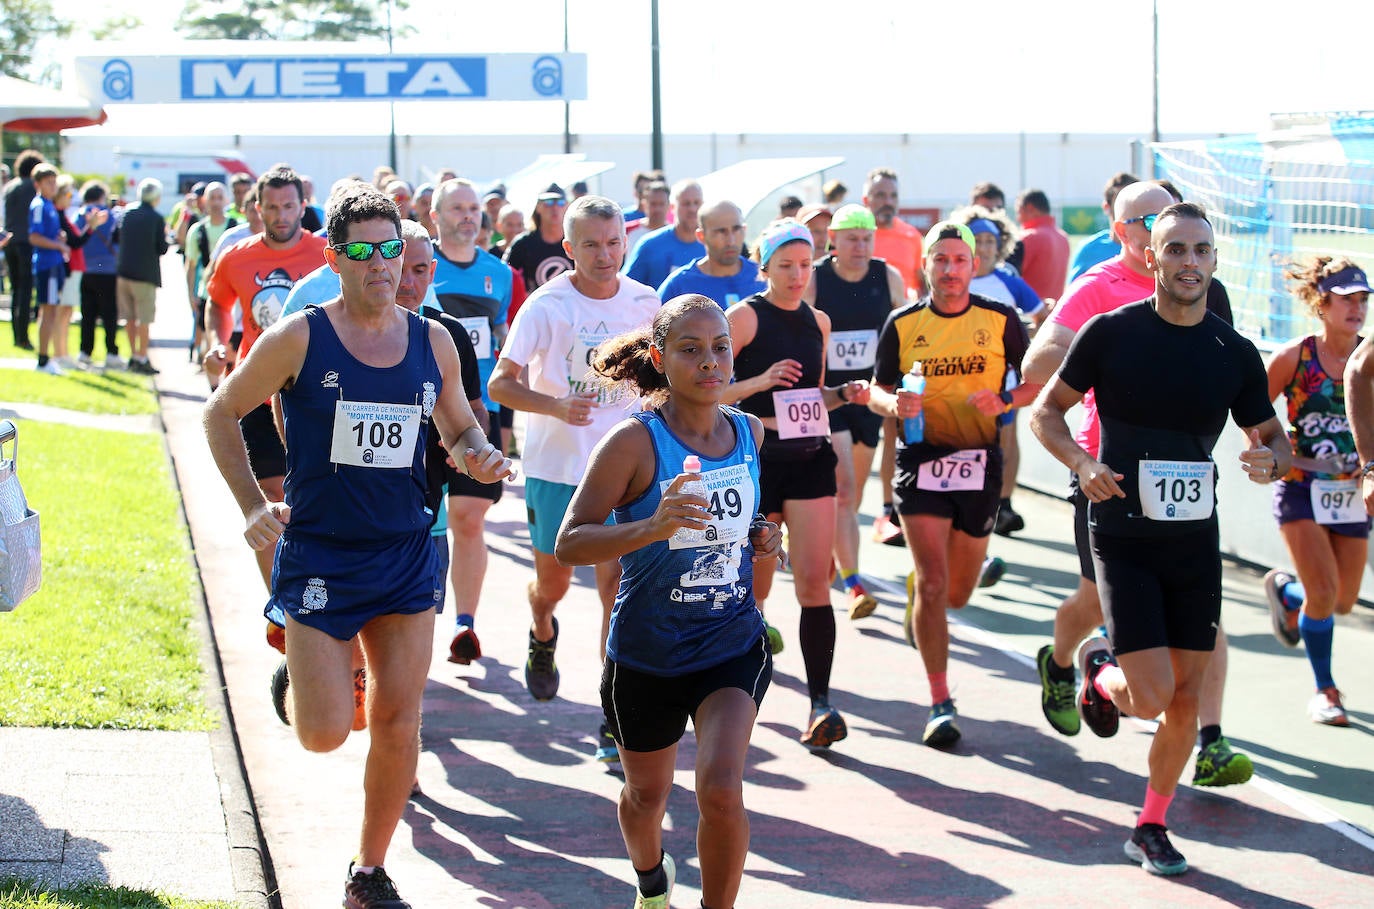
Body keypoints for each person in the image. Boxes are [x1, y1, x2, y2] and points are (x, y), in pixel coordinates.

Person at [204, 184, 512, 909]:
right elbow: (222, 410)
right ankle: (323, 673)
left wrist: (478, 454)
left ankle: (368, 871)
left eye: (393, 250)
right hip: (320, 554)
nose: (384, 263)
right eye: (367, 251)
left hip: (406, 551)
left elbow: (459, 425)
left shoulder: (435, 339)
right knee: (322, 734)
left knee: (402, 721)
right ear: (337, 258)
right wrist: (253, 504)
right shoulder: (299, 336)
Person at [1030, 202, 1289, 876]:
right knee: (1148, 695)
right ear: (1152, 256)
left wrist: (1273, 460)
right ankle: (1098, 669)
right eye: (1175, 250)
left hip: (1193, 542)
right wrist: (1083, 465)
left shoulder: (1233, 351)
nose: (1189, 263)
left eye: (1201, 251)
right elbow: (1044, 413)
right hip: (1123, 535)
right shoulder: (1111, 332)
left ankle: (1150, 824)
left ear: (1213, 262)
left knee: (1186, 695)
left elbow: (1273, 438)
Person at [556, 295, 781, 909]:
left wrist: (763, 535)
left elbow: (745, 518)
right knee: (645, 799)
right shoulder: (633, 442)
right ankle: (652, 877)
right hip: (646, 655)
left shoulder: (748, 431)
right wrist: (652, 526)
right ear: (660, 358)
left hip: (729, 641)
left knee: (720, 788)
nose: (709, 362)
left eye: (720, 348)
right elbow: (570, 540)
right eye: (690, 350)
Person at [488, 195, 661, 762]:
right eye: (590, 244)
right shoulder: (546, 305)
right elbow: (500, 384)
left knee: (618, 592)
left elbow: (661, 382)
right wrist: (557, 406)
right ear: (569, 249)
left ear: (624, 243)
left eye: (613, 242)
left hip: (626, 471)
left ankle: (613, 714)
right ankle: (542, 629)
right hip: (558, 468)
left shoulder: (644, 302)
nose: (604, 254)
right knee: (555, 586)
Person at [867, 221, 1031, 748]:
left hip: (980, 464)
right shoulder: (903, 323)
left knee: (956, 593)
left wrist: (1005, 402)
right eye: (941, 259)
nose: (951, 269)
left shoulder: (1001, 320)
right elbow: (877, 390)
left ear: (974, 266)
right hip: (922, 461)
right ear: (926, 266)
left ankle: (926, 588)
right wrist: (895, 405)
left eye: (960, 260)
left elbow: (1040, 383)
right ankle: (940, 701)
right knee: (936, 585)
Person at [722, 219, 870, 747]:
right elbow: (709, 391)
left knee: (812, 582)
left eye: (805, 265)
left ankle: (821, 704)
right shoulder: (743, 318)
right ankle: (739, 701)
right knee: (754, 592)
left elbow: (813, 395)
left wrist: (843, 393)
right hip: (758, 464)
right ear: (764, 267)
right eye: (785, 266)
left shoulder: (819, 321)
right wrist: (760, 382)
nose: (796, 275)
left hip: (810, 459)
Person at [206, 165, 328, 591]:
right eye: (272, 207)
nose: (281, 215)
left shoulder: (326, 253)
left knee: (314, 498)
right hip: (258, 390)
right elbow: (217, 303)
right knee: (270, 496)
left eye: (289, 206)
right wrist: (218, 343)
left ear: (303, 206)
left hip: (314, 393)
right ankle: (280, 599)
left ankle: (315, 588)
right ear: (257, 209)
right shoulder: (236, 257)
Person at [1263, 258, 1370, 727]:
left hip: (1351, 492)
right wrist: (1282, 455)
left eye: (1363, 299)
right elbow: (1251, 412)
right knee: (1324, 593)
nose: (1357, 308)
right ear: (1321, 304)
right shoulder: (1294, 357)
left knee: (1343, 601)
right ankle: (1325, 690)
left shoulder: (1369, 359)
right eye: (1346, 298)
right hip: (1300, 489)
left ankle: (1288, 595)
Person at [425, 178, 514, 664]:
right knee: (430, 522)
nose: (467, 216)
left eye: (473, 208)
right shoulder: (417, 264)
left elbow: (501, 334)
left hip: (479, 412)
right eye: (456, 208)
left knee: (467, 517)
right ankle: (419, 623)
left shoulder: (498, 274)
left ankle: (465, 624)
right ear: (434, 214)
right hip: (429, 412)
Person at [801, 203, 905, 619]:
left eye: (866, 239)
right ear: (834, 241)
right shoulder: (817, 279)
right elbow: (799, 328)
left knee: (852, 494)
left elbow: (907, 327)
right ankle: (854, 584)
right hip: (830, 396)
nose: (860, 246)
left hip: (871, 397)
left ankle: (831, 556)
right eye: (851, 239)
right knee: (844, 490)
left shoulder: (888, 277)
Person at [954, 204, 1045, 538]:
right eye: (978, 239)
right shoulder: (955, 275)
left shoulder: (1009, 280)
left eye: (991, 240)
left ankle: (1003, 504)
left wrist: (1027, 344)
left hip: (1003, 379)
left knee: (1005, 438)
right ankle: (967, 500)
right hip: (959, 378)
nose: (986, 246)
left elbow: (1041, 314)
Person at [865, 168, 924, 548]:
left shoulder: (911, 236)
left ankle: (890, 510)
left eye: (892, 195)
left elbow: (918, 283)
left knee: (893, 430)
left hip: (899, 346)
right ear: (867, 199)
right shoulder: (858, 236)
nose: (887, 201)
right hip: (859, 346)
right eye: (880, 195)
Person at [657, 199, 763, 309]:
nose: (731, 241)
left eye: (736, 229)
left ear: (744, 230)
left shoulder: (763, 276)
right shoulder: (679, 285)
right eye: (721, 231)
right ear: (701, 236)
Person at [115, 177, 170, 375]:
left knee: (129, 317)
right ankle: (141, 356)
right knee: (144, 319)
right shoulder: (155, 217)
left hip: (124, 272)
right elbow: (162, 248)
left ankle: (133, 355)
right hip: (145, 275)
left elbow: (117, 237)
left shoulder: (127, 212)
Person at [184, 183, 239, 363]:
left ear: (226, 200)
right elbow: (191, 265)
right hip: (206, 292)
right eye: (212, 198)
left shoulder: (236, 228)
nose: (216, 202)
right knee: (210, 336)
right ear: (204, 201)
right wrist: (191, 294)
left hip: (233, 294)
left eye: (219, 197)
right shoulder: (197, 231)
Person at [27, 164, 72, 374]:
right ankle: (44, 359)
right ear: (38, 184)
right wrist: (59, 245)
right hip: (47, 265)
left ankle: (46, 358)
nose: (53, 186)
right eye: (49, 182)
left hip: (54, 264)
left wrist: (59, 238)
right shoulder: (39, 205)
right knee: (48, 311)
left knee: (51, 310)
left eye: (55, 182)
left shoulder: (49, 205)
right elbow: (34, 236)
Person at [623, 179, 705, 289]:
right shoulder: (650, 245)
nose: (692, 209)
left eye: (696, 203)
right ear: (672, 207)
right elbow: (626, 287)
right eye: (686, 203)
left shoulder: (713, 245)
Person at [75, 181, 122, 369]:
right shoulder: (110, 215)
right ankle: (111, 352)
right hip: (108, 271)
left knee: (87, 314)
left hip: (85, 270)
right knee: (109, 314)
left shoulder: (80, 214)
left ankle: (85, 351)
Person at [3, 150, 44, 349]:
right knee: (26, 290)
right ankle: (23, 337)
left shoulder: (10, 187)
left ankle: (17, 335)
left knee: (16, 290)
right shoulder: (32, 187)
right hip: (26, 243)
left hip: (9, 242)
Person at [1069, 172, 1139, 283]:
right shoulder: (1088, 250)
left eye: (1134, 203)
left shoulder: (1149, 252)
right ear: (1107, 207)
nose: (1129, 210)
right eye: (1121, 204)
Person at [504, 183, 572, 291]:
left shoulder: (576, 242)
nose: (554, 207)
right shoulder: (522, 244)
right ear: (538, 208)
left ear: (567, 207)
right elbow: (504, 278)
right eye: (548, 202)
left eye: (560, 202)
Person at [1014, 189, 1070, 305]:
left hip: (1028, 315)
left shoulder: (1027, 238)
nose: (1018, 218)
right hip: (1054, 314)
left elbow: (1009, 277)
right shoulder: (1063, 237)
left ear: (1030, 208)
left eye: (1019, 212)